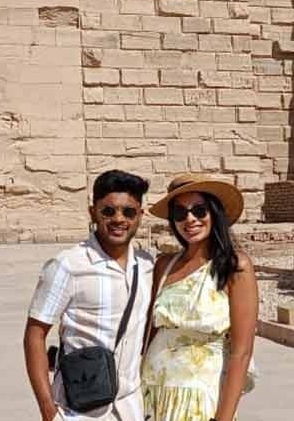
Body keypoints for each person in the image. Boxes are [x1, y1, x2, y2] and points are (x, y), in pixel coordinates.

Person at [24, 170, 154, 421]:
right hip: (79, 410)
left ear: (140, 215)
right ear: (92, 211)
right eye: (109, 211)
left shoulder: (147, 265)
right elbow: (35, 334)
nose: (119, 219)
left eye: (128, 212)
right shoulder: (68, 265)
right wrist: (48, 411)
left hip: (131, 408)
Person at [142, 174, 259, 421]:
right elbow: (149, 332)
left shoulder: (235, 267)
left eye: (199, 210)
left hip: (201, 397)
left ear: (214, 213)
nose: (190, 219)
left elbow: (241, 352)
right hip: (152, 391)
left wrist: (224, 418)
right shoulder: (164, 265)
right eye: (180, 213)